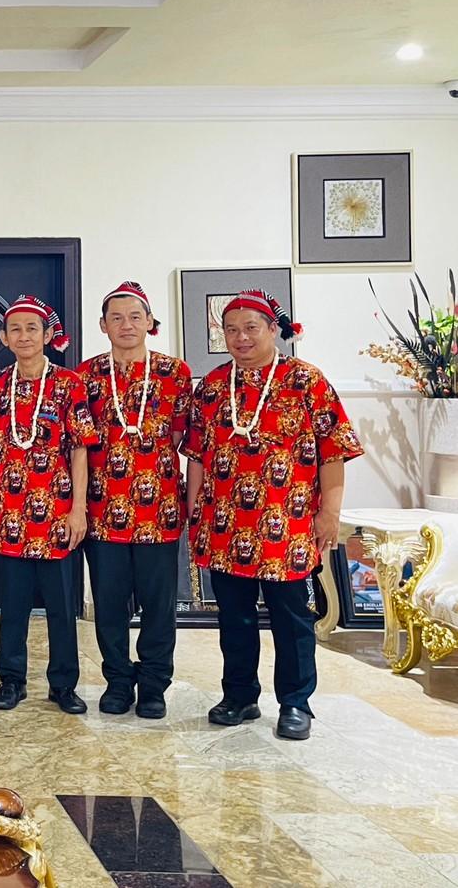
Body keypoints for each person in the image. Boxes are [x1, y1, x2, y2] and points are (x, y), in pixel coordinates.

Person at [183, 290, 363, 740]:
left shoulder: (306, 381)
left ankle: (296, 702)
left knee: (292, 617)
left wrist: (331, 513)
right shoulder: (212, 385)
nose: (240, 337)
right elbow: (198, 455)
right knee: (234, 617)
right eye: (231, 329)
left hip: (289, 524)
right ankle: (240, 696)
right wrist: (194, 508)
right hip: (224, 525)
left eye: (250, 328)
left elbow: (333, 452)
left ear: (272, 329)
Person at [78, 282, 192, 720]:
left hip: (159, 510)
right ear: (103, 325)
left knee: (159, 606)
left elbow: (180, 436)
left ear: (150, 323)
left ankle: (153, 685)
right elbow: (80, 447)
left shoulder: (174, 373)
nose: (127, 325)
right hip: (102, 510)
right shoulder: (86, 376)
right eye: (117, 318)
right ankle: (118, 682)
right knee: (108, 604)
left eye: (135, 317)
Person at [0, 295, 99, 714]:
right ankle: (10, 681)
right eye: (16, 329)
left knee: (62, 607)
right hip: (9, 513)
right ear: (3, 337)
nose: (24, 336)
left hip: (58, 514)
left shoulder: (70, 384)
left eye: (33, 328)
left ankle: (64, 685)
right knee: (11, 606)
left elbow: (81, 449)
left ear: (48, 335)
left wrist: (79, 508)